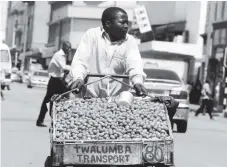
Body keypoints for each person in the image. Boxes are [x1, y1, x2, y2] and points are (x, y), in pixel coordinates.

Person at [68, 7, 147, 97]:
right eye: (122, 22)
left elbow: (134, 63)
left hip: (119, 101)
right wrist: (78, 77)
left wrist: (137, 81)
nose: (126, 26)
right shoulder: (92, 35)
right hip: (91, 99)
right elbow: (80, 61)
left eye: (127, 23)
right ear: (108, 24)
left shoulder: (130, 41)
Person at [36, 41, 71, 127]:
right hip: (55, 81)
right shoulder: (59, 55)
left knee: (64, 99)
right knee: (48, 100)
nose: (69, 50)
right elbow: (63, 67)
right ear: (63, 47)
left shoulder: (63, 55)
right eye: (67, 48)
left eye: (70, 48)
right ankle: (40, 120)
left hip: (60, 81)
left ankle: (59, 121)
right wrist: (73, 68)